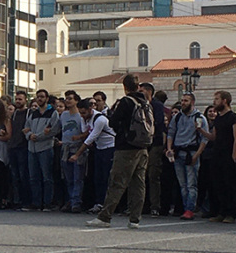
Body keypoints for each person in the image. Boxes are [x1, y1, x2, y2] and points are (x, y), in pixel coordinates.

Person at [86, 73, 152, 229]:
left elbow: (114, 123)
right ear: (138, 86)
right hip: (143, 147)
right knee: (138, 183)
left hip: (126, 147)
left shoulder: (126, 102)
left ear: (125, 87)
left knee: (117, 182)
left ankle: (105, 216)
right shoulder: (145, 102)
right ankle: (135, 219)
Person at [199, 90, 236, 223]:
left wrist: (234, 157)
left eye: (217, 99)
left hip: (228, 155)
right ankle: (220, 212)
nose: (214, 102)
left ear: (224, 101)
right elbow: (213, 136)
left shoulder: (234, 118)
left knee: (229, 185)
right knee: (217, 184)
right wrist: (201, 130)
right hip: (216, 154)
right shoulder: (218, 118)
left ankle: (231, 213)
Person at [165, 93, 208, 220]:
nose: (183, 103)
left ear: (192, 102)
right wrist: (169, 148)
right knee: (182, 184)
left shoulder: (199, 118)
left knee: (191, 184)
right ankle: (185, 208)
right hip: (179, 153)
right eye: (182, 100)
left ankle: (190, 208)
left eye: (186, 100)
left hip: (191, 152)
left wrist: (197, 155)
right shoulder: (177, 117)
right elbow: (171, 133)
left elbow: (204, 139)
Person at [70, 98, 115, 214]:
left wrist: (77, 154)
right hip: (99, 148)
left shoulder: (100, 119)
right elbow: (86, 131)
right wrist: (83, 119)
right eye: (80, 113)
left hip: (109, 147)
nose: (82, 115)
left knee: (106, 177)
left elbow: (91, 138)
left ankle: (107, 203)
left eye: (84, 112)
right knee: (97, 177)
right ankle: (99, 202)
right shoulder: (84, 118)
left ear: (90, 109)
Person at [23, 89, 61, 211]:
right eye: (38, 97)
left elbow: (54, 130)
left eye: (42, 97)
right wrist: (29, 136)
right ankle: (36, 202)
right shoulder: (32, 113)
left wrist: (38, 136)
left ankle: (48, 202)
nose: (39, 99)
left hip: (45, 148)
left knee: (47, 177)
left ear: (47, 98)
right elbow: (26, 128)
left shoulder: (53, 113)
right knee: (33, 177)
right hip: (31, 149)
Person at [140, 83, 167, 216]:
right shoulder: (139, 104)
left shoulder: (156, 105)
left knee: (153, 175)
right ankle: (141, 204)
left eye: (142, 90)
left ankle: (155, 205)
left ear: (149, 91)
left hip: (155, 143)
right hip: (142, 144)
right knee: (140, 176)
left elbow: (158, 124)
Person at [59, 90, 86, 213]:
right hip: (65, 147)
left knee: (77, 177)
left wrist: (79, 137)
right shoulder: (63, 115)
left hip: (78, 148)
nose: (67, 100)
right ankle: (70, 200)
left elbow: (87, 132)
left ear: (76, 101)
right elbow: (58, 128)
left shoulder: (80, 116)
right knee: (68, 177)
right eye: (66, 98)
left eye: (70, 98)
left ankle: (76, 202)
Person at [7, 91, 31, 209]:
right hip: (13, 147)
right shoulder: (14, 114)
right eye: (16, 99)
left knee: (23, 176)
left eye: (20, 99)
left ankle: (26, 201)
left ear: (26, 100)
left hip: (23, 147)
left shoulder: (29, 113)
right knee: (14, 176)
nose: (18, 101)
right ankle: (17, 201)